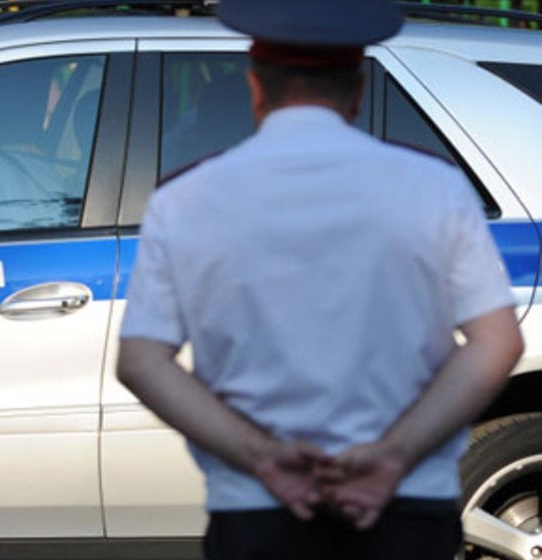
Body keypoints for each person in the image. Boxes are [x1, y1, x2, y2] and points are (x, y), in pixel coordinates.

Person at [116, 1, 525, 558]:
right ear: (358, 91)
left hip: (259, 506)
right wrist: (392, 457)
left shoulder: (184, 199)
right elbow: (497, 342)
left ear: (255, 89)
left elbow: (142, 361)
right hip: (403, 503)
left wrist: (263, 458)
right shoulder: (435, 188)